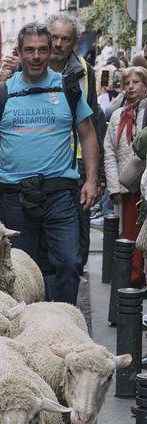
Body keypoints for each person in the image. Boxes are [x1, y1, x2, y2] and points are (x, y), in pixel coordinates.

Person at [0, 22, 99, 305]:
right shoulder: (1, 92)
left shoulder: (67, 88)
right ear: (19, 52)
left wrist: (90, 180)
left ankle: (63, 318)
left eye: (42, 49)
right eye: (30, 50)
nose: (36, 56)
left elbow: (88, 135)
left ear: (51, 50)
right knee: (20, 267)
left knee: (68, 263)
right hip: (14, 195)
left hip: (61, 193)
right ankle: (28, 322)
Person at [46, 12, 104, 272]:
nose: (57, 44)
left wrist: (96, 177)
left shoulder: (83, 70)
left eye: (64, 39)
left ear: (75, 41)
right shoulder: (31, 64)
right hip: (41, 162)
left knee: (78, 231)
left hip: (77, 164)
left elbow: (94, 123)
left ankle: (70, 280)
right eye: (53, 37)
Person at [104, 66, 147, 284]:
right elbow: (109, 152)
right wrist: (113, 188)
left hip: (145, 185)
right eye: (127, 83)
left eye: (136, 82)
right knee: (130, 236)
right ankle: (132, 279)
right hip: (128, 187)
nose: (131, 87)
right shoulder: (117, 115)